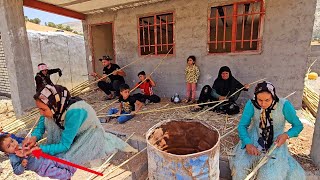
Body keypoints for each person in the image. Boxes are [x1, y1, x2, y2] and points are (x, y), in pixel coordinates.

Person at [22, 84, 137, 166]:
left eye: (43, 109)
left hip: (89, 133)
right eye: (39, 109)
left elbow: (65, 145)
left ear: (53, 105)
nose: (41, 113)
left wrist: (40, 149)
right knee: (49, 120)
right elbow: (40, 127)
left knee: (66, 159)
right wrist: (34, 137)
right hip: (72, 130)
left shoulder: (75, 111)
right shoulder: (55, 107)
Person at [229, 81, 305, 180]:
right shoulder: (252, 104)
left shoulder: (284, 105)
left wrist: (286, 135)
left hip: (275, 143)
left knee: (269, 176)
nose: (263, 104)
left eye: (267, 100)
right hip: (254, 139)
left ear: (273, 96)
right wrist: (247, 143)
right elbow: (242, 126)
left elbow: (298, 126)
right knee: (240, 170)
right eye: (260, 100)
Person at [0, 134, 76, 179]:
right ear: (6, 152)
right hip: (42, 168)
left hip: (46, 158)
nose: (13, 144)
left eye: (12, 141)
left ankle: (73, 170)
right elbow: (16, 171)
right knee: (62, 174)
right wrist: (22, 165)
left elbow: (35, 151)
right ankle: (68, 176)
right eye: (9, 146)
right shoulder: (14, 158)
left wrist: (34, 147)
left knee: (65, 163)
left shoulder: (21, 145)